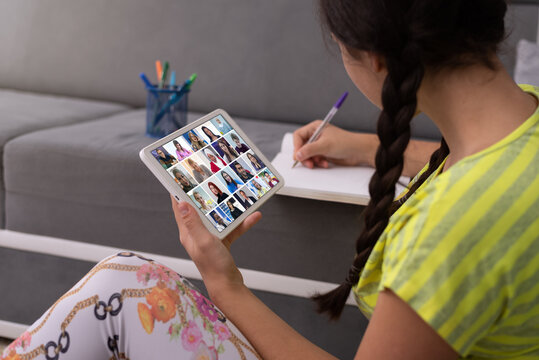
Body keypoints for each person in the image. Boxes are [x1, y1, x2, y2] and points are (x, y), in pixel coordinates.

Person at [7, 1, 539, 359]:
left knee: (117, 291)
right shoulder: (519, 127)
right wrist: (363, 145)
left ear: (376, 58)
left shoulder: (450, 233)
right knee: (125, 276)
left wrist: (225, 284)